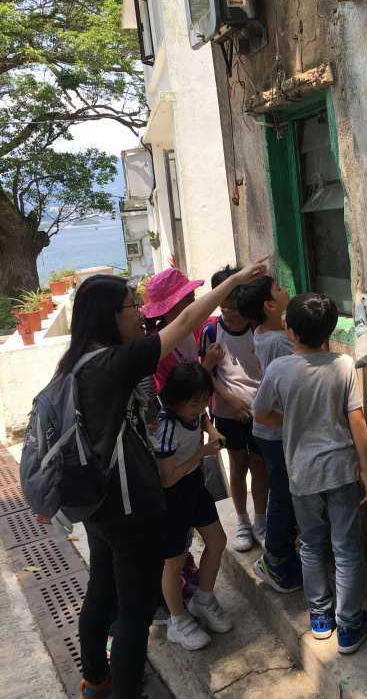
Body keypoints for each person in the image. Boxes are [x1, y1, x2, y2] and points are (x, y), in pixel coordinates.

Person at [57, 258, 266, 699]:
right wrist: (234, 280)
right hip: (129, 507)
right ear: (109, 316)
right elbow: (186, 320)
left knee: (101, 592)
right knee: (134, 616)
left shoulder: (76, 361)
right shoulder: (114, 361)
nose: (140, 313)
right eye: (132, 306)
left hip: (97, 504)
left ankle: (95, 680)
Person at [252, 293, 367, 655]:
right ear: (330, 330)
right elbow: (357, 421)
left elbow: (260, 413)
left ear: (289, 330)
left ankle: (320, 619)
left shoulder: (279, 369)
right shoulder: (343, 364)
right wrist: (365, 469)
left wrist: (291, 420)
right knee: (346, 549)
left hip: (302, 475)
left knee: (311, 544)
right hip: (341, 471)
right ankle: (349, 626)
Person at [143, 268, 225, 601]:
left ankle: (186, 566)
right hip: (176, 437)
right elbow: (175, 397)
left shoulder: (189, 335)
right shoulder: (160, 349)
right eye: (187, 300)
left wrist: (208, 425)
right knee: (175, 516)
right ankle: (177, 574)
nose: (194, 304)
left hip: (194, 427)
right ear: (169, 310)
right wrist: (206, 366)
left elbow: (193, 398)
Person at [154, 362, 230, 650]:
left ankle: (203, 600)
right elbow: (168, 479)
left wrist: (212, 430)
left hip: (195, 487)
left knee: (218, 541)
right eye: (194, 403)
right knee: (173, 562)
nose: (200, 408)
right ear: (175, 400)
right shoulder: (167, 426)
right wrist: (203, 452)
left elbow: (203, 419)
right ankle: (177, 621)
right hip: (173, 497)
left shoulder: (194, 412)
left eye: (204, 401)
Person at [236, 276, 302, 593]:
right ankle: (273, 558)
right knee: (283, 494)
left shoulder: (265, 331)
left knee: (285, 492)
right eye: (278, 288)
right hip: (275, 428)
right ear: (269, 305)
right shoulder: (278, 342)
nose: (285, 289)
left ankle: (283, 551)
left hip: (273, 428)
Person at [199, 267, 269, 552]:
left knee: (260, 467)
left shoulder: (258, 326)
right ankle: (242, 521)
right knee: (238, 466)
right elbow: (207, 373)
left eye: (235, 304)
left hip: (261, 412)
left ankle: (261, 521)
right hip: (227, 413)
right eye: (224, 304)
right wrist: (229, 399)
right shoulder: (211, 331)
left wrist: (259, 404)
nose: (230, 310)